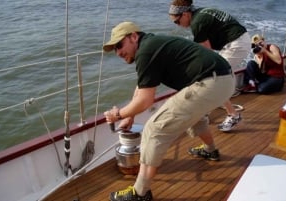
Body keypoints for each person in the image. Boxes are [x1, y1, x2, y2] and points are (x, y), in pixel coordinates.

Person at [103, 21, 234, 201]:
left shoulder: (146, 50)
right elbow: (141, 88)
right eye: (114, 49)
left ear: (133, 36)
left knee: (154, 129)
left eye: (119, 45)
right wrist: (130, 116)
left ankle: (139, 194)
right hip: (223, 79)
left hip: (211, 81)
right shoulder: (150, 45)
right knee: (194, 117)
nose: (118, 52)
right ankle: (211, 151)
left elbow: (145, 100)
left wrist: (117, 115)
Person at [168, 0, 251, 132]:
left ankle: (234, 115)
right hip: (239, 40)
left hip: (236, 45)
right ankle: (207, 109)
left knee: (216, 79)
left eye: (177, 22)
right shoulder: (201, 12)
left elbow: (207, 54)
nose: (178, 25)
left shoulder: (197, 23)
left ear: (185, 14)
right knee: (213, 77)